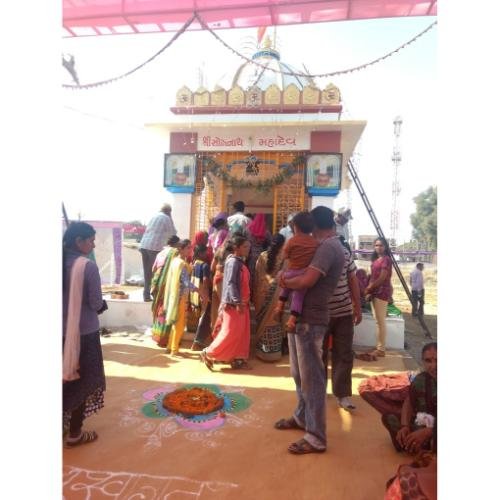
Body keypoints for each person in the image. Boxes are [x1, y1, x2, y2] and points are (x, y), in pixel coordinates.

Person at [274, 206, 345, 455]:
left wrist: (283, 280)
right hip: (303, 318)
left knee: (312, 379)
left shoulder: (328, 247)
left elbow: (305, 281)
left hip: (311, 319)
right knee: (298, 374)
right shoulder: (324, 245)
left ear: (314, 224)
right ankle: (303, 417)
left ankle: (316, 437)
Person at [63, 222, 107, 447]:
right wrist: (103, 305)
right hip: (84, 333)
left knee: (63, 379)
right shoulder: (87, 267)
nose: (93, 244)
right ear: (79, 242)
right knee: (82, 380)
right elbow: (95, 302)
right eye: (90, 240)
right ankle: (75, 434)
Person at [322, 233, 362, 411]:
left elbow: (353, 279)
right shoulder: (317, 251)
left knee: (344, 354)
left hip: (344, 312)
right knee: (318, 354)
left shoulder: (345, 253)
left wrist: (358, 307)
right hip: (320, 314)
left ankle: (342, 394)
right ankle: (318, 391)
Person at [200, 235, 252, 370]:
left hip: (242, 304)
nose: (248, 249)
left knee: (241, 334)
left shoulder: (239, 261)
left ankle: (237, 360)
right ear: (236, 248)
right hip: (234, 305)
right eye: (245, 246)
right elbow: (231, 283)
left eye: (248, 246)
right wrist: (237, 302)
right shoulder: (233, 262)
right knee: (230, 333)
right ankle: (208, 352)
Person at [381, 342, 437, 455]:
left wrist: (430, 431)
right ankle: (410, 442)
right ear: (423, 362)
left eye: (437, 360)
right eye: (428, 361)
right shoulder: (420, 379)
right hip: (422, 424)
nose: (434, 366)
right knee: (389, 418)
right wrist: (404, 426)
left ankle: (418, 445)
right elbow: (409, 402)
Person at [274, 211, 319, 332]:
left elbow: (284, 256)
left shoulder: (292, 241)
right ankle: (292, 320)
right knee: (298, 297)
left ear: (295, 226)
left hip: (291, 272)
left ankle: (279, 307)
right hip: (304, 274)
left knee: (285, 288)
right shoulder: (315, 242)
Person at [164, 239, 206, 356]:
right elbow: (186, 282)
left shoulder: (175, 261)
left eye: (190, 248)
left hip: (174, 296)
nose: (190, 250)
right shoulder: (181, 264)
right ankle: (174, 349)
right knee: (180, 324)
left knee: (175, 322)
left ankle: (169, 346)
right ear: (180, 249)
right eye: (188, 248)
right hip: (180, 297)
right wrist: (199, 290)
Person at [253, 233, 287, 362]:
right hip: (277, 294)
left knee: (263, 322)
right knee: (274, 321)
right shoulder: (284, 258)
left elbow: (257, 275)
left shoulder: (262, 256)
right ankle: (273, 353)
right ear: (281, 245)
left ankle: (262, 352)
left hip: (262, 295)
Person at [139, 204, 177, 302]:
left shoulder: (154, 216)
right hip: (154, 247)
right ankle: (156, 296)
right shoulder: (166, 218)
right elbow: (173, 233)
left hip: (144, 245)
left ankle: (146, 295)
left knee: (147, 272)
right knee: (157, 272)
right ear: (169, 211)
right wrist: (171, 219)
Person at [150, 235, 181, 347]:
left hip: (157, 283)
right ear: (176, 244)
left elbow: (154, 269)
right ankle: (164, 338)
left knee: (159, 307)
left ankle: (156, 335)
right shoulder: (175, 253)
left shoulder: (160, 253)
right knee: (166, 308)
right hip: (167, 283)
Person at [365, 238, 393, 358]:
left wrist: (369, 288)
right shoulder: (376, 260)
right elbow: (373, 277)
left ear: (385, 247)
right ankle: (379, 346)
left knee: (380, 322)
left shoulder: (386, 260)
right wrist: (369, 290)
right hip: (375, 292)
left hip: (381, 293)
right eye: (376, 245)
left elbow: (382, 278)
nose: (378, 247)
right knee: (378, 321)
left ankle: (381, 349)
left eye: (381, 245)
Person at [190, 244, 213, 351]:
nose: (207, 254)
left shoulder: (194, 263)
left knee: (199, 316)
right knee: (203, 317)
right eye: (205, 252)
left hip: (194, 294)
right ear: (202, 253)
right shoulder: (205, 266)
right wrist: (206, 295)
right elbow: (205, 281)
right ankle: (197, 342)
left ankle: (197, 341)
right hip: (202, 293)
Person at [209, 239, 234, 330]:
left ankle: (214, 330)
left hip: (216, 278)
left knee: (215, 307)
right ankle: (221, 330)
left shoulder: (218, 251)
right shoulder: (232, 253)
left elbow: (212, 267)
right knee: (223, 306)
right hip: (224, 280)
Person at [244, 212, 271, 281]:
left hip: (250, 256)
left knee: (250, 275)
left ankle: (250, 290)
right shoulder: (266, 232)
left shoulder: (247, 230)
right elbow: (270, 244)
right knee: (259, 277)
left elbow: (244, 241)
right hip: (261, 257)